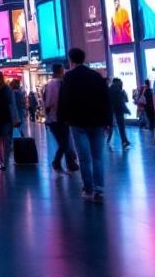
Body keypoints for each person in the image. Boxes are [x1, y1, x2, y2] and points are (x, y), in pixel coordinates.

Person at [58, 48, 113, 201]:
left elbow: (64, 99)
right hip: (97, 122)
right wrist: (108, 120)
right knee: (97, 157)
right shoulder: (96, 76)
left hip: (78, 122)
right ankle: (99, 189)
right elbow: (105, 99)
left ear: (71, 60)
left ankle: (88, 189)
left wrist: (63, 119)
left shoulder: (69, 77)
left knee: (84, 158)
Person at [43, 63, 79, 174]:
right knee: (64, 143)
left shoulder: (52, 84)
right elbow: (49, 102)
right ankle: (58, 162)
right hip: (57, 118)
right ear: (60, 70)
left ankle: (67, 162)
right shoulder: (56, 84)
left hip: (56, 118)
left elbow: (48, 102)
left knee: (64, 142)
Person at [107, 78, 131, 148]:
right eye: (120, 82)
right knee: (121, 126)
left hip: (112, 110)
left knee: (113, 125)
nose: (121, 84)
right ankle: (124, 140)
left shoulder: (110, 89)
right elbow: (123, 101)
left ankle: (110, 139)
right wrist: (126, 110)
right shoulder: (118, 89)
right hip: (118, 110)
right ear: (117, 82)